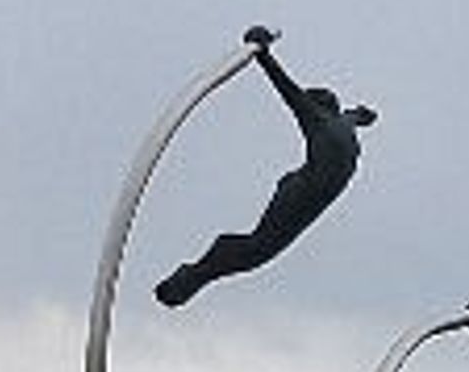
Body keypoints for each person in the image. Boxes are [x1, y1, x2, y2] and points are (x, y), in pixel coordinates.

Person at [154, 28, 376, 307]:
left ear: (317, 106)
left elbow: (288, 90)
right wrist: (363, 115)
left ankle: (184, 283)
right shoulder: (345, 127)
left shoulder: (319, 121)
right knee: (244, 249)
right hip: (304, 194)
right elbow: (351, 116)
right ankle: (187, 281)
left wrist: (263, 54)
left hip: (299, 198)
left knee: (248, 249)